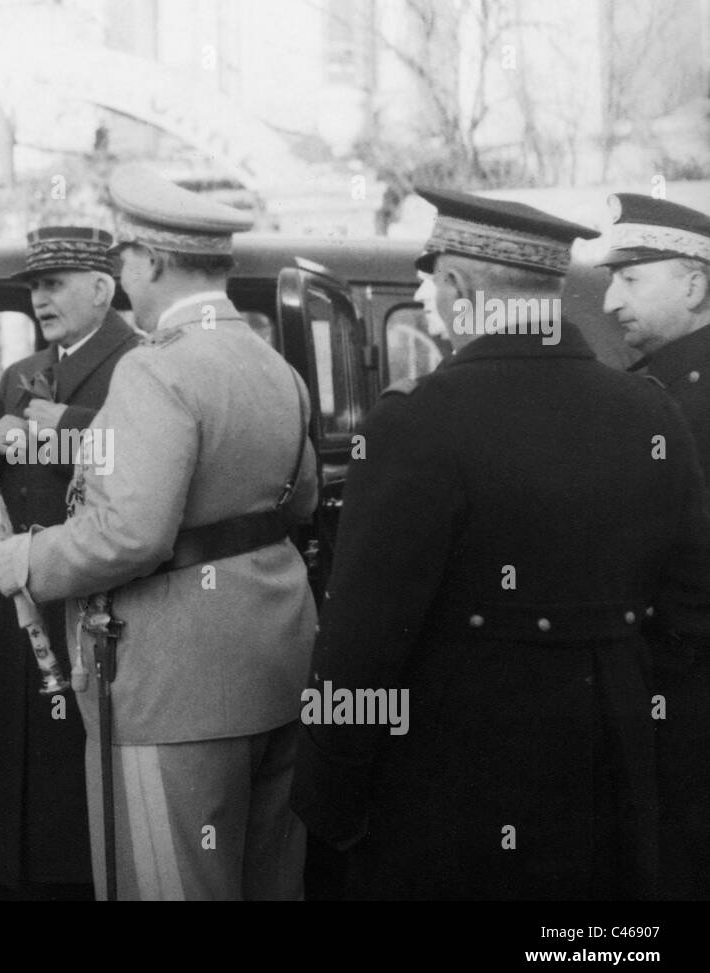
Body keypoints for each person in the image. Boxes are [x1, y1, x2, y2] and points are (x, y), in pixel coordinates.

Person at [292, 188, 710, 899]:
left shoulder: (415, 423)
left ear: (458, 288)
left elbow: (361, 644)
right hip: (611, 776)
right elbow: (690, 608)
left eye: (433, 282)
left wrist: (328, 796)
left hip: (454, 781)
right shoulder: (651, 409)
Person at [0, 166, 319, 900]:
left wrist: (28, 557)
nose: (120, 268)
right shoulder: (274, 367)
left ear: (154, 262)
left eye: (125, 255)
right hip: (278, 668)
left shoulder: (155, 370)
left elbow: (129, 536)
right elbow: (302, 502)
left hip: (172, 687)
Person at [0, 225, 137, 895]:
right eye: (35, 287)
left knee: (80, 777)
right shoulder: (19, 375)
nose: (40, 299)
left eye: (55, 284)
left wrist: (51, 431)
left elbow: (136, 460)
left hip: (97, 598)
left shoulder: (142, 362)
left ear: (102, 288)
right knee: (19, 764)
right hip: (23, 596)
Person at [601, 192, 710, 899]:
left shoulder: (679, 400)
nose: (611, 301)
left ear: (697, 283)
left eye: (632, 279)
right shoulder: (662, 390)